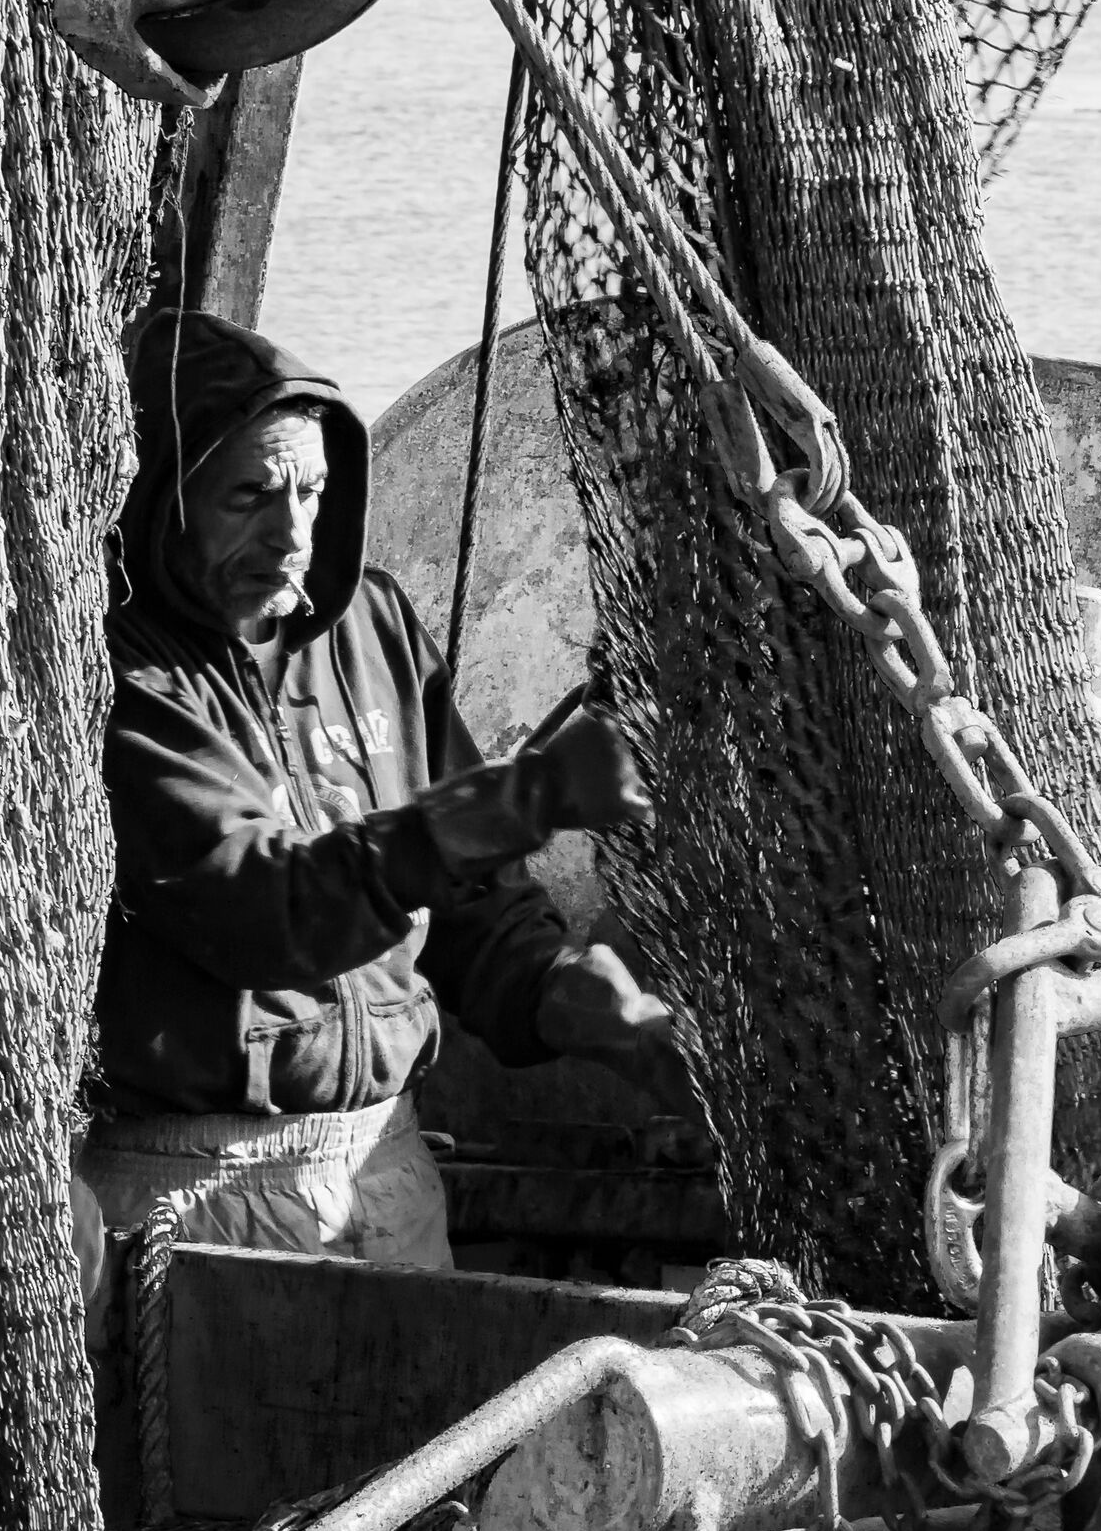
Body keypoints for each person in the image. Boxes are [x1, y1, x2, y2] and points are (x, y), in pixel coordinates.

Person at [79, 308, 685, 1272]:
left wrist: (598, 1013)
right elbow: (265, 906)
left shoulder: (377, 627)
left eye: (312, 491)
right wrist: (529, 797)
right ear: (163, 497)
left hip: (387, 1171)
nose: (292, 534)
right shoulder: (119, 677)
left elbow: (478, 913)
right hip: (193, 1198)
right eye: (249, 494)